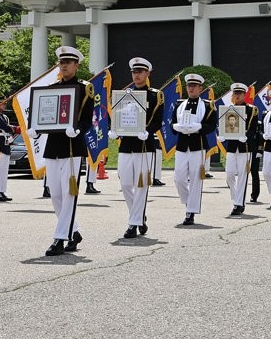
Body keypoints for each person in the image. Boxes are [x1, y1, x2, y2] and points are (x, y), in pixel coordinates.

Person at [34, 46, 94, 256]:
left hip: (72, 146)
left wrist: (76, 129)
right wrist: (37, 129)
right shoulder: (51, 88)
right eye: (62, 62)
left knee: (69, 194)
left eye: (69, 62)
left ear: (76, 65)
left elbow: (87, 119)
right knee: (56, 195)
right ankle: (74, 231)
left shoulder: (85, 88)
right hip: (54, 146)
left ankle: (60, 238)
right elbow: (45, 114)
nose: (65, 65)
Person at [110, 57, 163, 239]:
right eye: (134, 72)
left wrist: (148, 131)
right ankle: (139, 215)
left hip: (143, 145)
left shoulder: (155, 95)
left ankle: (133, 223)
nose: (137, 75)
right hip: (126, 144)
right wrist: (115, 130)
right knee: (125, 184)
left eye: (140, 72)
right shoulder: (125, 94)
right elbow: (118, 117)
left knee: (141, 186)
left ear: (147, 73)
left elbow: (158, 120)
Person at [172, 73, 216, 225]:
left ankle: (190, 212)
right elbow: (173, 125)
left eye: (194, 86)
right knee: (179, 178)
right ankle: (188, 202)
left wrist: (199, 127)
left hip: (198, 145)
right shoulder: (179, 105)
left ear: (200, 88)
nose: (191, 88)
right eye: (189, 86)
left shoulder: (207, 105)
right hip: (182, 145)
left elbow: (212, 125)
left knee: (196, 179)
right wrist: (176, 127)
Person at [221, 82, 260, 215]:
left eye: (239, 93)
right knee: (230, 174)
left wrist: (246, 136)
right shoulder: (229, 109)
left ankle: (238, 204)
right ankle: (236, 197)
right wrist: (223, 136)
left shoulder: (252, 109)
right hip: (232, 146)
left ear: (244, 94)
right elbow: (226, 127)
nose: (237, 96)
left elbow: (254, 129)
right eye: (235, 93)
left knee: (243, 175)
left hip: (245, 146)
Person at [0, 100, 14, 202]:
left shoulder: (5, 117)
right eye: (2, 103)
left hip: (6, 144)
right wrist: (15, 128)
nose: (4, 105)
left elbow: (8, 129)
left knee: (4, 170)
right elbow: (4, 126)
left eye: (5, 104)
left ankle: (2, 191)